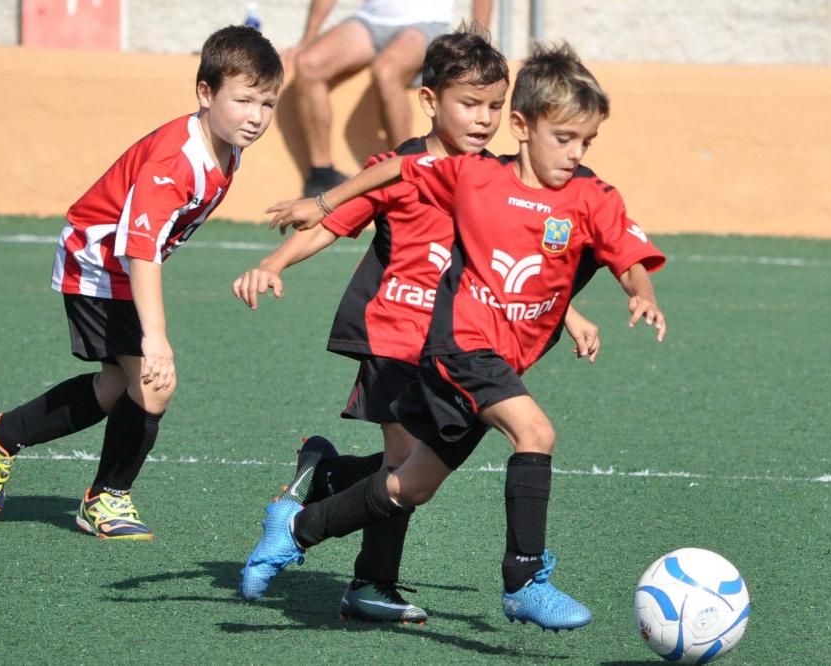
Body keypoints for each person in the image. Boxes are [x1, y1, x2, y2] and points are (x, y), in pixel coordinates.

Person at [241, 42, 668, 630]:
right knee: (534, 431)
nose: (575, 153)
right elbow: (391, 172)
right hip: (442, 343)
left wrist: (633, 293)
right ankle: (518, 579)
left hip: (487, 356)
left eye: (585, 142)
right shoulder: (472, 176)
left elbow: (599, 253)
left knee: (409, 484)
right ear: (524, 127)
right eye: (563, 139)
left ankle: (297, 526)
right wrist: (319, 205)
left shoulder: (579, 193)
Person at [0, 26, 284, 541]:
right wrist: (155, 338)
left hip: (114, 265)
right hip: (96, 266)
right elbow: (140, 250)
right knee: (155, 384)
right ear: (205, 92)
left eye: (267, 104)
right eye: (243, 100)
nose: (256, 117)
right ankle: (106, 498)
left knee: (116, 387)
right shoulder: (175, 161)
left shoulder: (226, 144)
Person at [287, 0, 493, 197]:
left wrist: (479, 47)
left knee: (386, 72)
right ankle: (321, 174)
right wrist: (307, 39)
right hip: (370, 21)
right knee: (308, 65)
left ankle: (409, 172)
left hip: (425, 24)